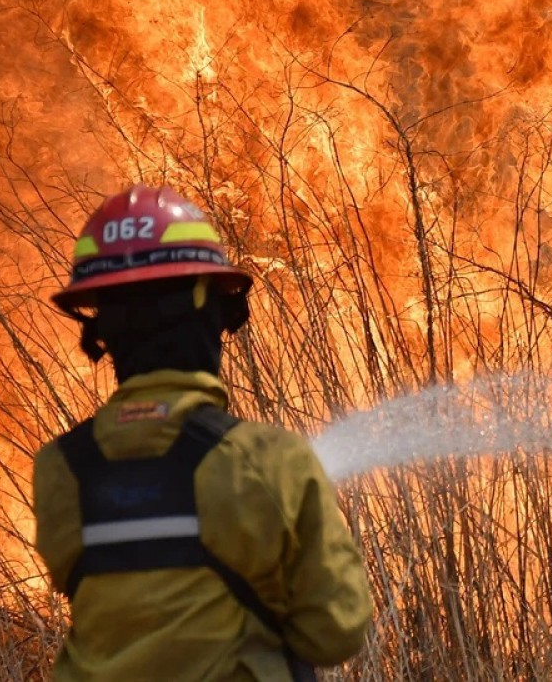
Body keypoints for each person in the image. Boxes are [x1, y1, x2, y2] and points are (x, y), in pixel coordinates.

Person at [32, 184, 372, 682]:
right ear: (205, 307)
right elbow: (334, 631)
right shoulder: (269, 460)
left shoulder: (59, 468)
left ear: (101, 326)